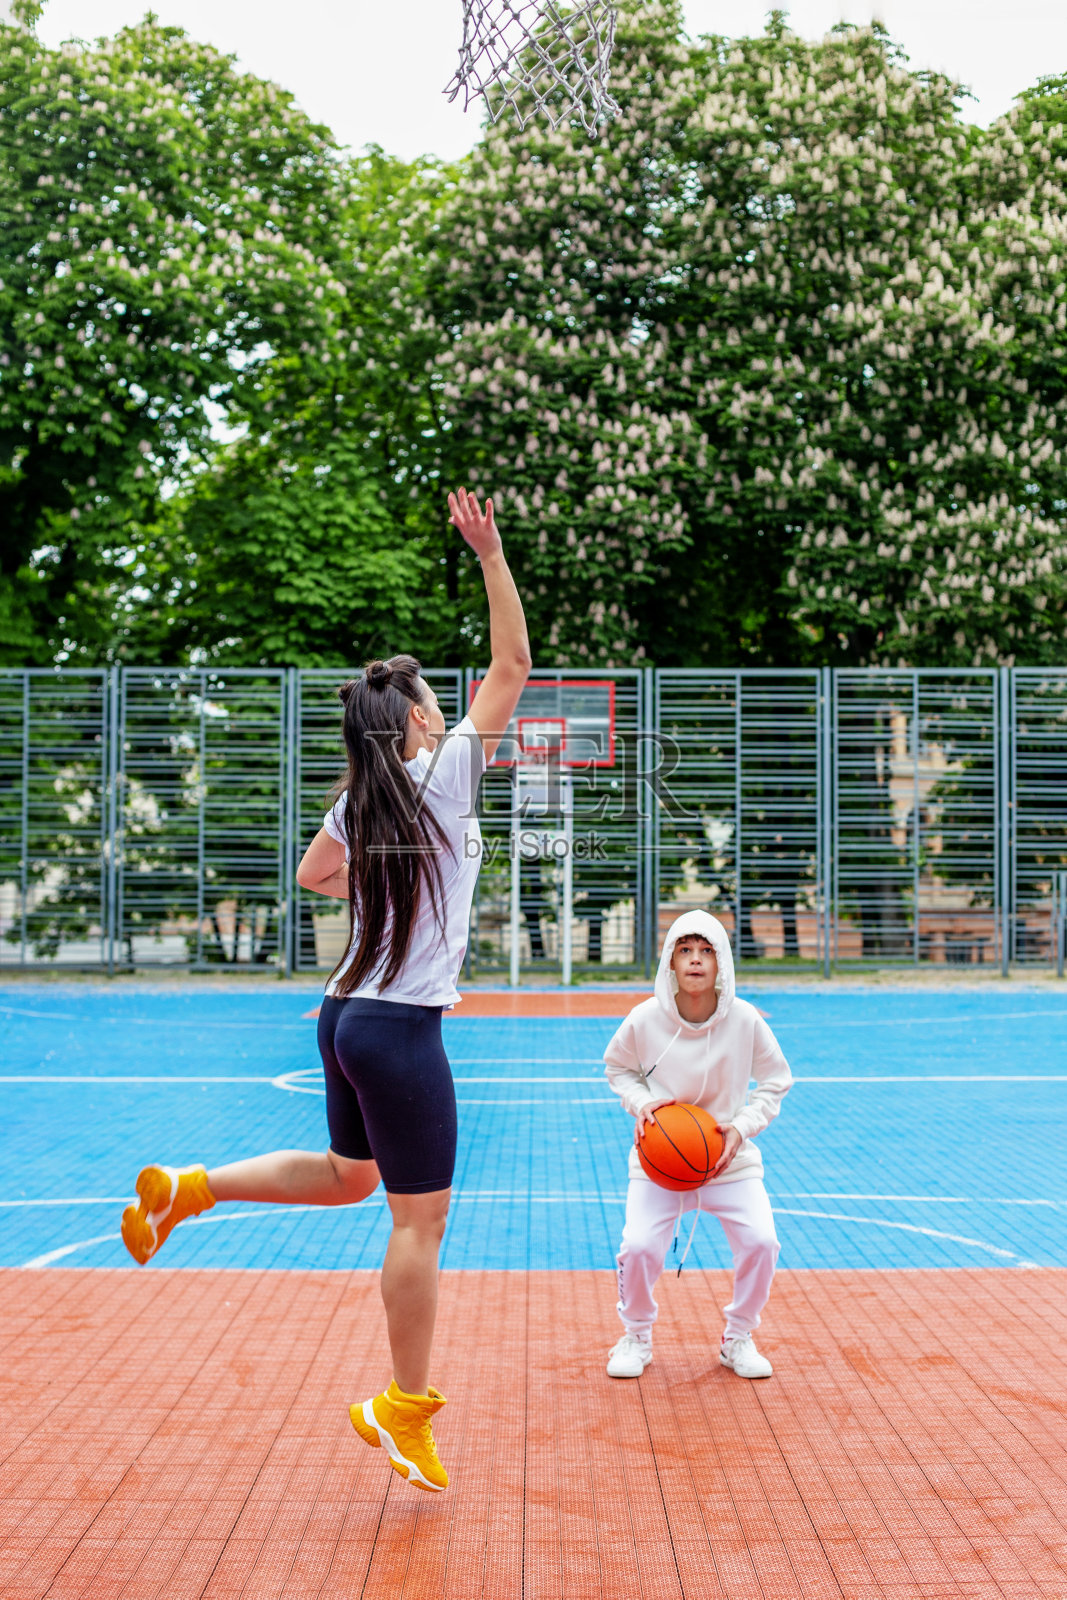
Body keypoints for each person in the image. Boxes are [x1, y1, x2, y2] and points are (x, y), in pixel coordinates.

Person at [119, 488, 531, 1494]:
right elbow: (513, 664)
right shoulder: (441, 779)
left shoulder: (363, 797)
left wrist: (389, 875)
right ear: (423, 719)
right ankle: (401, 1404)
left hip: (348, 1016)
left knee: (353, 1177)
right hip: (395, 1030)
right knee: (415, 1222)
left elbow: (310, 874)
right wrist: (489, 555)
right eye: (440, 699)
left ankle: (192, 1186)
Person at [603, 909, 791, 1381]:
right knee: (640, 1246)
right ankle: (637, 1334)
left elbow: (776, 1080)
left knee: (763, 1242)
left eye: (706, 951)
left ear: (721, 962)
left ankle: (738, 1336)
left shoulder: (745, 1019)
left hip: (727, 1156)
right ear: (669, 961)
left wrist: (742, 1126)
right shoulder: (645, 1019)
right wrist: (642, 1102)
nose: (695, 960)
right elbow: (618, 1068)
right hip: (663, 1156)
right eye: (685, 950)